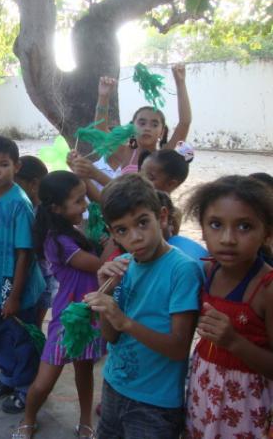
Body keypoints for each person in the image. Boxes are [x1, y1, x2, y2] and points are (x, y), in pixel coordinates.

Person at [84, 173, 202, 439]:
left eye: (142, 223)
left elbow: (178, 348)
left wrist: (123, 319)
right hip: (115, 386)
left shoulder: (183, 270)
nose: (135, 237)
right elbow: (111, 336)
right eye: (122, 230)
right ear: (112, 232)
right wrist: (108, 295)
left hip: (155, 403)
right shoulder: (124, 265)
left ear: (162, 217)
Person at [12, 171, 107, 439]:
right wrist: (113, 243)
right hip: (68, 318)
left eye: (85, 198)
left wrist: (98, 241)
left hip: (88, 315)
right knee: (44, 381)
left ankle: (85, 421)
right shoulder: (58, 240)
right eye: (78, 201)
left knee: (85, 370)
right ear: (56, 208)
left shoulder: (73, 231)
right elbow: (99, 265)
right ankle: (29, 418)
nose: (85, 205)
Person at [183, 175, 273, 438]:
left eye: (244, 227)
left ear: (267, 233)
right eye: (215, 224)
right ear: (202, 228)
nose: (228, 238)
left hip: (246, 408)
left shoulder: (266, 289)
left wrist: (234, 341)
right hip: (202, 396)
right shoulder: (207, 270)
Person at [0, 136, 46, 414]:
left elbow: (25, 254)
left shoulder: (20, 203)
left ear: (16, 166)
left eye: (3, 164)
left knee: (21, 337)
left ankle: (25, 388)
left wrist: (14, 296)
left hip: (17, 285)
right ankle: (7, 378)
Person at [93, 63, 192, 175]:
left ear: (162, 132)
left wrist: (180, 83)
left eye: (154, 125)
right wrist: (103, 96)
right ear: (132, 128)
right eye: (142, 123)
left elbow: (185, 122)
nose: (147, 128)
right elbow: (100, 130)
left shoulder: (165, 156)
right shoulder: (125, 153)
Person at [15, 156, 56, 327]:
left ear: (33, 184)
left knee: (33, 324)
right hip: (21, 275)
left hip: (41, 275)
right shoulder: (18, 207)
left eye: (15, 185)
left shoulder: (47, 213)